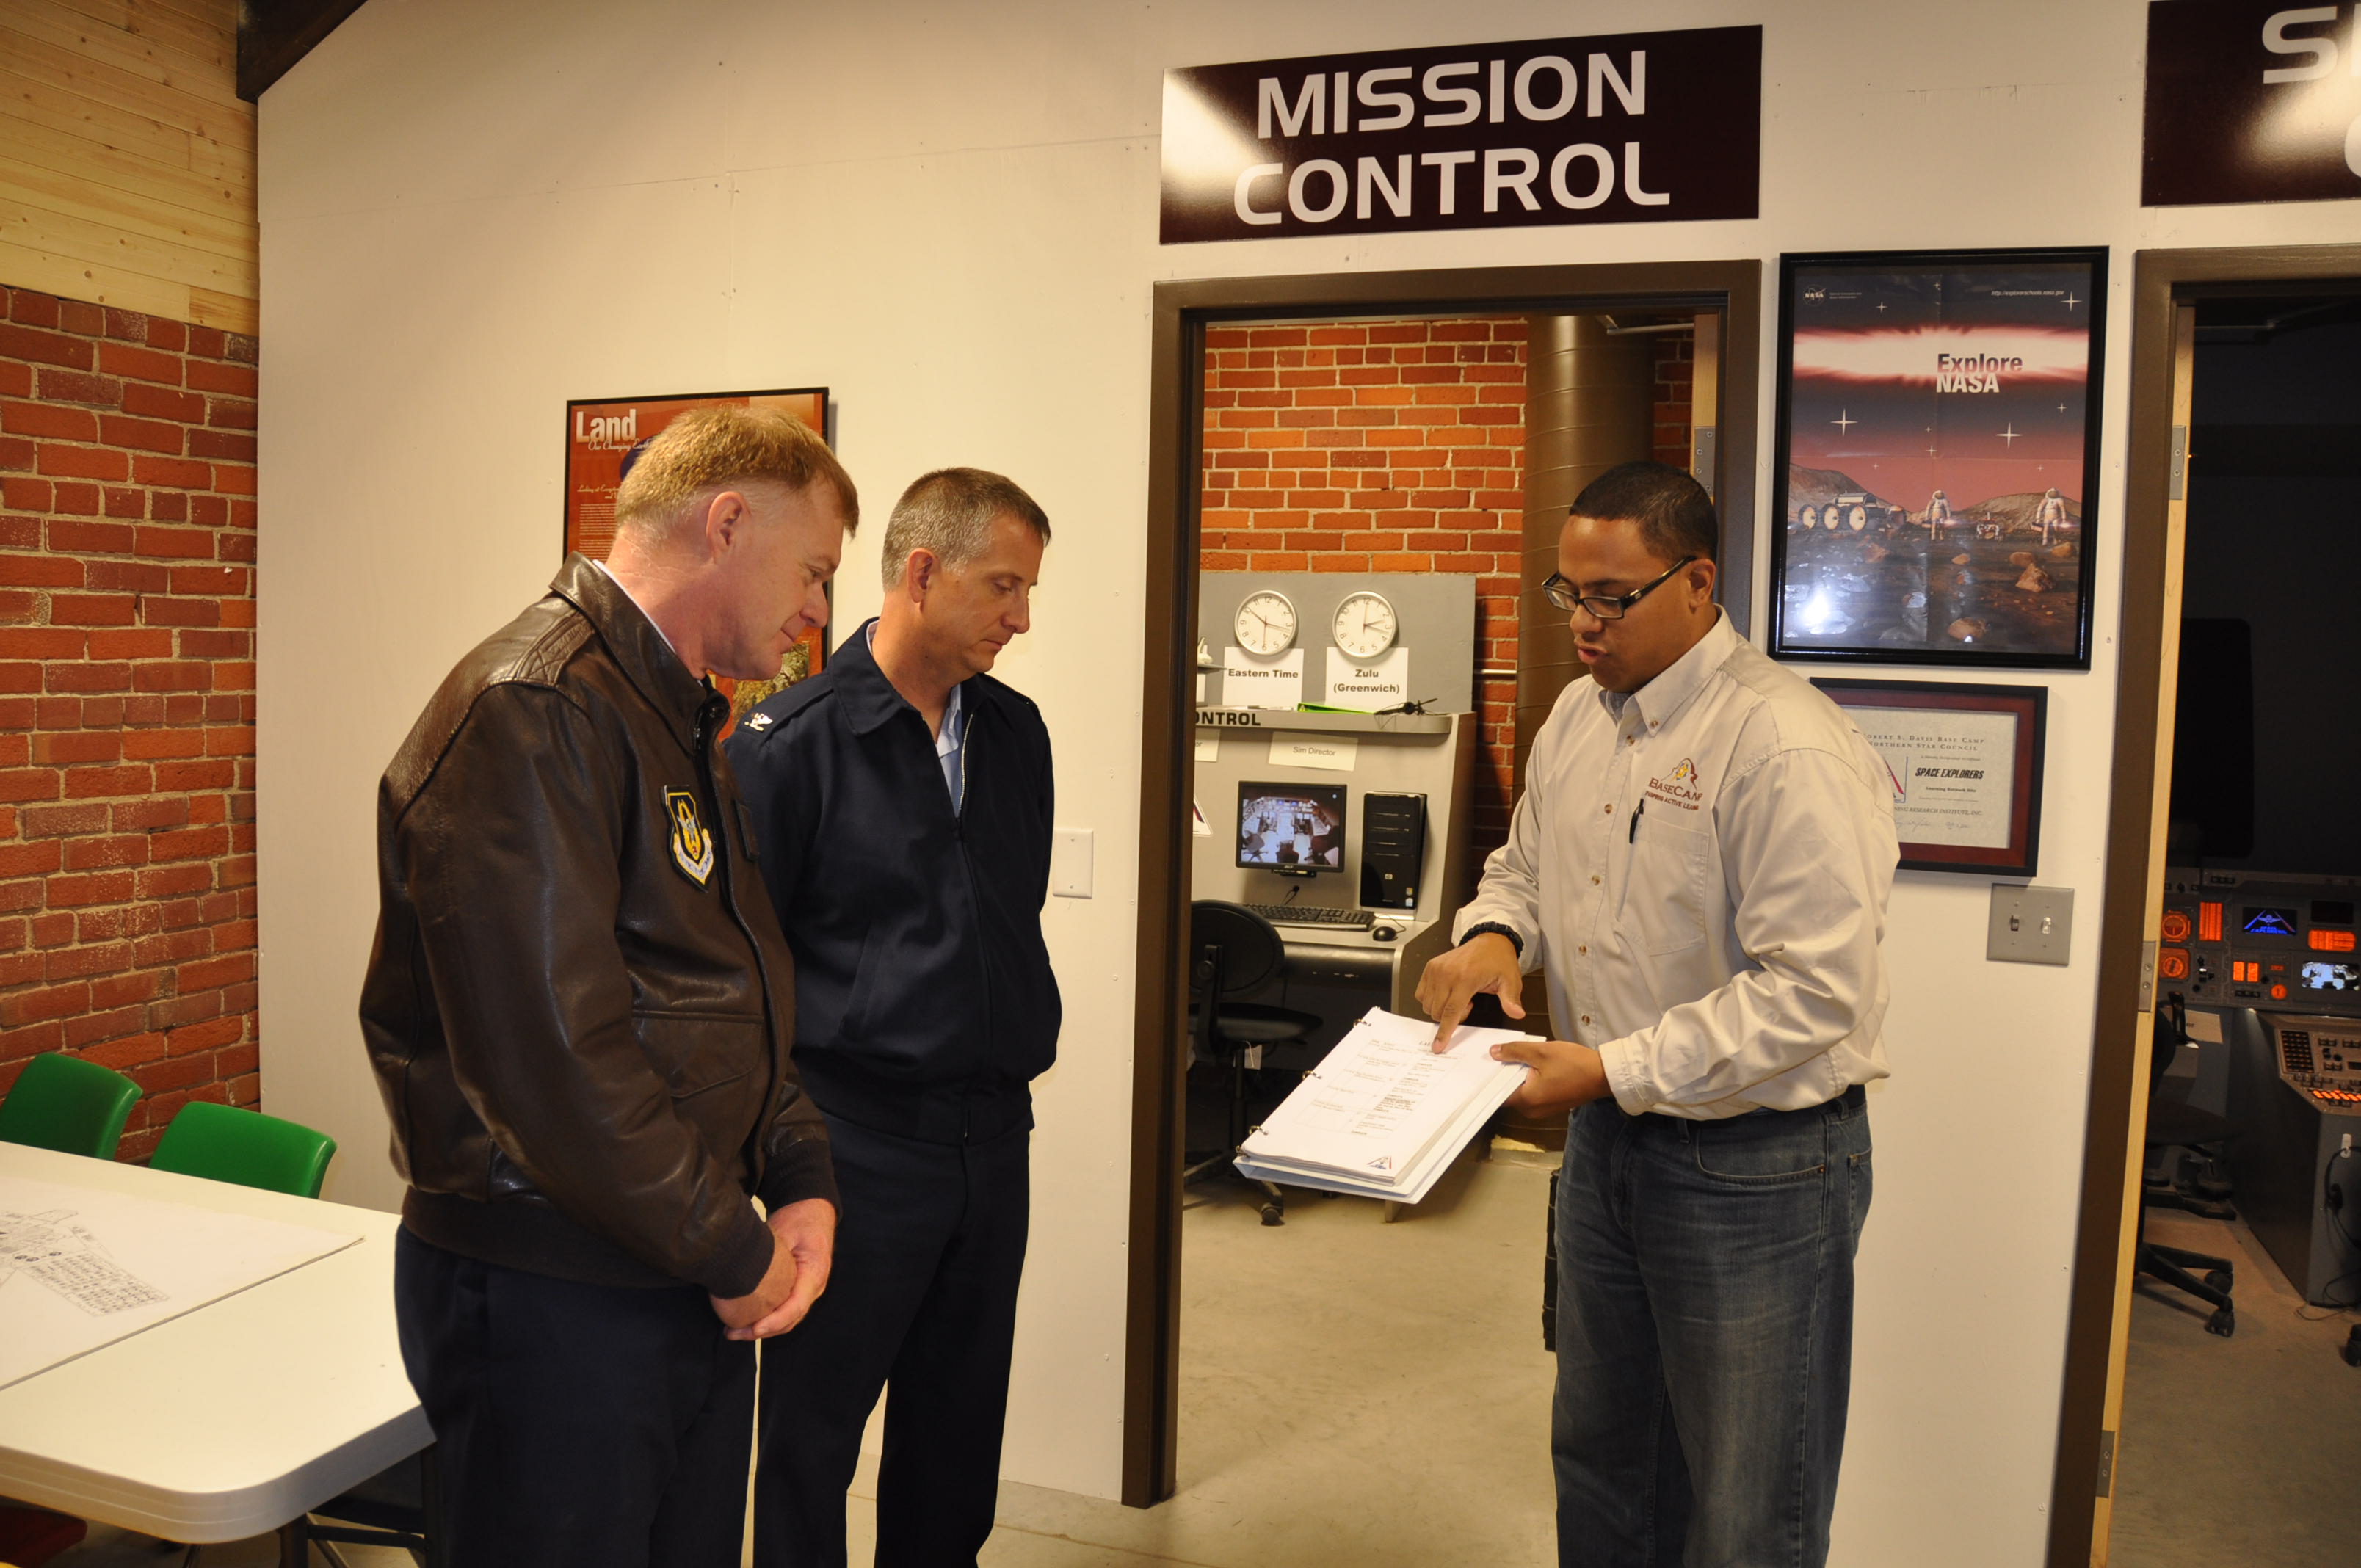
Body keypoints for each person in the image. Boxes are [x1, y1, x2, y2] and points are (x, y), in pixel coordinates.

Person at [360, 407, 858, 1568]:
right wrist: (734, 1254)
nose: (819, 611)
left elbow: (733, 981)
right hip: (556, 1296)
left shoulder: (674, 715)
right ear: (727, 523)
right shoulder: (533, 707)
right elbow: (552, 1063)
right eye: (816, 571)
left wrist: (798, 1171)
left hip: (673, 1269)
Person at [1417, 460, 1897, 1568]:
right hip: (1608, 1153)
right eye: (1567, 592)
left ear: (1697, 582)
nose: (1583, 623)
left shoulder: (1782, 743)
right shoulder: (1581, 719)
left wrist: (1606, 1068)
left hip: (1760, 1173)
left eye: (1611, 597)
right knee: (1603, 1458)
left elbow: (1818, 993)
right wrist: (1493, 933)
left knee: (1746, 1508)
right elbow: (1524, 871)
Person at [728, 468, 1059, 1568]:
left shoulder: (1017, 735)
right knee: (814, 1446)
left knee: (957, 1443)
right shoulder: (790, 743)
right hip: (852, 1146)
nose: (1022, 617)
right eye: (1003, 586)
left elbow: (1008, 910)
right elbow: (744, 970)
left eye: (1029, 590)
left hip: (991, 1138)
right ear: (921, 572)